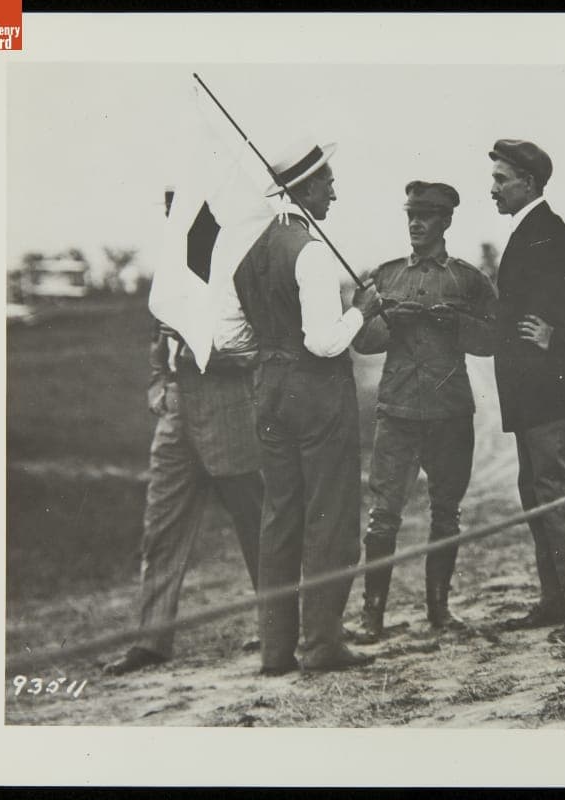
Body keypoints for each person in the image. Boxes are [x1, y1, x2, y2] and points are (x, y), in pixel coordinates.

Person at [232, 134, 384, 675]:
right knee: (331, 518)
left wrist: (273, 361)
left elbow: (236, 337)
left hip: (268, 389)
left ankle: (276, 652)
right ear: (307, 186)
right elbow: (324, 341)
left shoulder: (247, 252)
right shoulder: (312, 251)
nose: (334, 195)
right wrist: (362, 310)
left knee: (279, 519)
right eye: (329, 184)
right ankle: (321, 644)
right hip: (316, 392)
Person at [104, 190, 263, 676]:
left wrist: (204, 357)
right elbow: (160, 340)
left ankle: (279, 621)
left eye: (187, 213)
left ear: (208, 215)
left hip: (230, 411)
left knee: (255, 524)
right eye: (171, 213)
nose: (178, 222)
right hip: (177, 418)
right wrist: (159, 382)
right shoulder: (171, 274)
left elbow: (256, 348)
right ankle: (151, 641)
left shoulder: (236, 268)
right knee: (161, 527)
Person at [352, 181, 497, 642]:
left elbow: (493, 341)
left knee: (446, 513)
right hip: (396, 412)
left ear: (446, 221)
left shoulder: (468, 280)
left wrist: (452, 323)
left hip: (449, 413)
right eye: (411, 214)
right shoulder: (385, 276)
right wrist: (387, 319)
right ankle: (372, 617)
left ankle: (440, 611)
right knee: (382, 516)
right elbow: (362, 340)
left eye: (426, 216)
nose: (416, 223)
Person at [488, 139, 565, 642]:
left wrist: (555, 336)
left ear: (528, 184)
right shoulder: (526, 233)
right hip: (528, 392)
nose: (492, 189)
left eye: (501, 179)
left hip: (549, 391)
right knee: (537, 493)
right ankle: (556, 599)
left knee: (558, 493)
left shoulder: (550, 233)